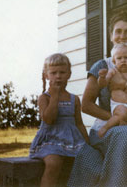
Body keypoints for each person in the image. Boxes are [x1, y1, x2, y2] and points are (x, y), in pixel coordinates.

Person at [68, 11, 127, 187]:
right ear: (111, 36)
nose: (122, 36)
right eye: (118, 31)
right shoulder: (103, 66)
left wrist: (125, 85)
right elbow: (86, 105)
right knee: (124, 133)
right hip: (109, 127)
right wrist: (115, 120)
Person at [29, 53, 89, 187]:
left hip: (73, 140)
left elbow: (79, 123)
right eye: (53, 72)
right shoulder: (44, 98)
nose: (58, 76)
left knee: (87, 161)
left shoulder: (74, 99)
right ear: (46, 75)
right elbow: (49, 120)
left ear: (69, 74)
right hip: (50, 141)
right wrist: (55, 97)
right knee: (54, 163)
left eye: (62, 72)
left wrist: (88, 142)